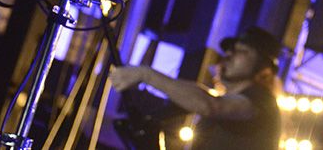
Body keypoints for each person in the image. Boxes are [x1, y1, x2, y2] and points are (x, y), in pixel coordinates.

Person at [110, 26, 283, 149]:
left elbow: (211, 105)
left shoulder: (262, 101)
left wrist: (146, 75)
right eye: (230, 50)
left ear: (264, 69)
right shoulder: (218, 111)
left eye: (242, 51)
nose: (229, 54)